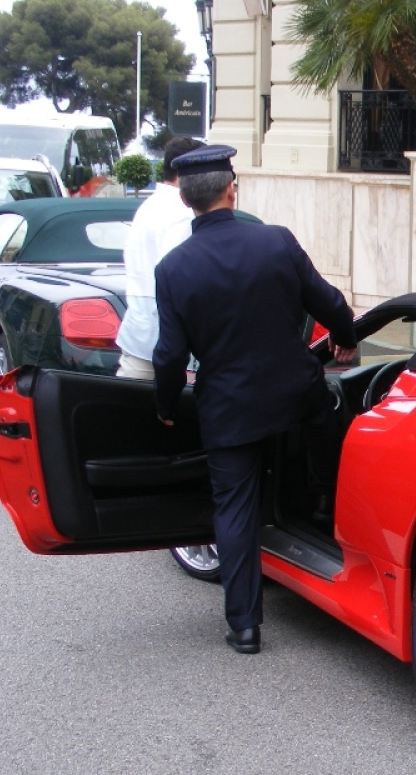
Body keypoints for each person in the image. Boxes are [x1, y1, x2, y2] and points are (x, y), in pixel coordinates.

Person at [153, 144, 358, 655]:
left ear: (186, 199)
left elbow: (169, 355)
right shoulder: (276, 242)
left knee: (235, 509)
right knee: (333, 437)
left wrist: (163, 405)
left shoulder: (173, 269)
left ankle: (244, 625)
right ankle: (328, 512)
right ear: (231, 189)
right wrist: (345, 335)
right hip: (295, 392)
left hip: (229, 408)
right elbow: (329, 301)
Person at [115, 136, 204, 379]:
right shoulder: (182, 213)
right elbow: (178, 281)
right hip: (168, 346)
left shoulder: (149, 206)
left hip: (138, 337)